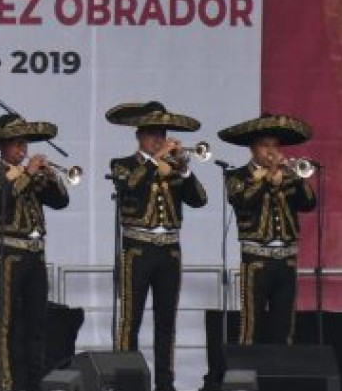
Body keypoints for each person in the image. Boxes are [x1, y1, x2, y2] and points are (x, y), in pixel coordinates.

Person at [106, 102, 207, 391]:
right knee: (130, 320)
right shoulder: (122, 164)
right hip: (137, 249)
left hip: (169, 251)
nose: (158, 140)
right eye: (152, 134)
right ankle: (127, 383)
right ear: (139, 136)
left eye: (161, 134)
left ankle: (166, 383)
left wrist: (185, 169)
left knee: (166, 321)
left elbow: (199, 199)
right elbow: (131, 186)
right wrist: (155, 160)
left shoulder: (174, 168)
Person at [0, 113, 69, 391]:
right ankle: (6, 385)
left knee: (37, 325)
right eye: (16, 144)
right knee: (5, 326)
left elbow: (61, 202)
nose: (22, 150)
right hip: (9, 254)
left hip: (36, 255)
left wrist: (52, 177)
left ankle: (35, 383)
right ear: (3, 146)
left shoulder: (28, 174)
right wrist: (28, 174)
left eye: (25, 144)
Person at [219, 113, 316, 345]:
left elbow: (309, 203)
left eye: (275, 146)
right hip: (256, 259)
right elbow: (242, 201)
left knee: (284, 325)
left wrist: (296, 177)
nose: (271, 151)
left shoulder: (288, 176)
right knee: (251, 325)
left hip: (288, 259)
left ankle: (280, 376)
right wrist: (266, 178)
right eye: (265, 146)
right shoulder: (237, 176)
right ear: (253, 149)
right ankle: (246, 375)